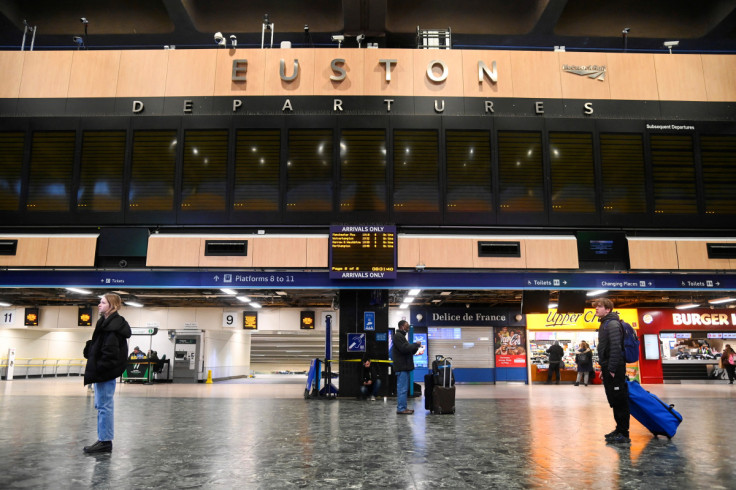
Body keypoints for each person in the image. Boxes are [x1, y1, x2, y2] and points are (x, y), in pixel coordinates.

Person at [82, 293, 132, 454]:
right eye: (100, 302)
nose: (99, 304)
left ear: (112, 306)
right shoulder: (105, 323)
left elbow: (110, 353)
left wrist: (100, 368)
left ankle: (105, 441)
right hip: (102, 371)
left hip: (104, 372)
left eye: (103, 302)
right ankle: (103, 439)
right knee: (102, 405)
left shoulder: (113, 327)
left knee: (104, 406)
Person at [594, 297, 630, 444]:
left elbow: (615, 347)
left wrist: (612, 368)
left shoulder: (613, 324)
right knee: (614, 399)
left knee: (620, 399)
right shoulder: (606, 323)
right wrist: (605, 368)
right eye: (596, 306)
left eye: (599, 306)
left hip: (616, 368)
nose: (596, 309)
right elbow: (606, 349)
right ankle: (619, 429)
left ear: (608, 309)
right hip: (610, 366)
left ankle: (624, 433)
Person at [391, 320, 421, 415]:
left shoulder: (402, 337)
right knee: (402, 389)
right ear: (402, 326)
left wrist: (415, 347)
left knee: (404, 389)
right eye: (407, 326)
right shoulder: (398, 336)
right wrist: (415, 345)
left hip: (405, 367)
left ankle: (403, 407)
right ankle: (401, 408)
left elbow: (408, 350)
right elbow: (404, 348)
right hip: (401, 367)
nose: (408, 328)